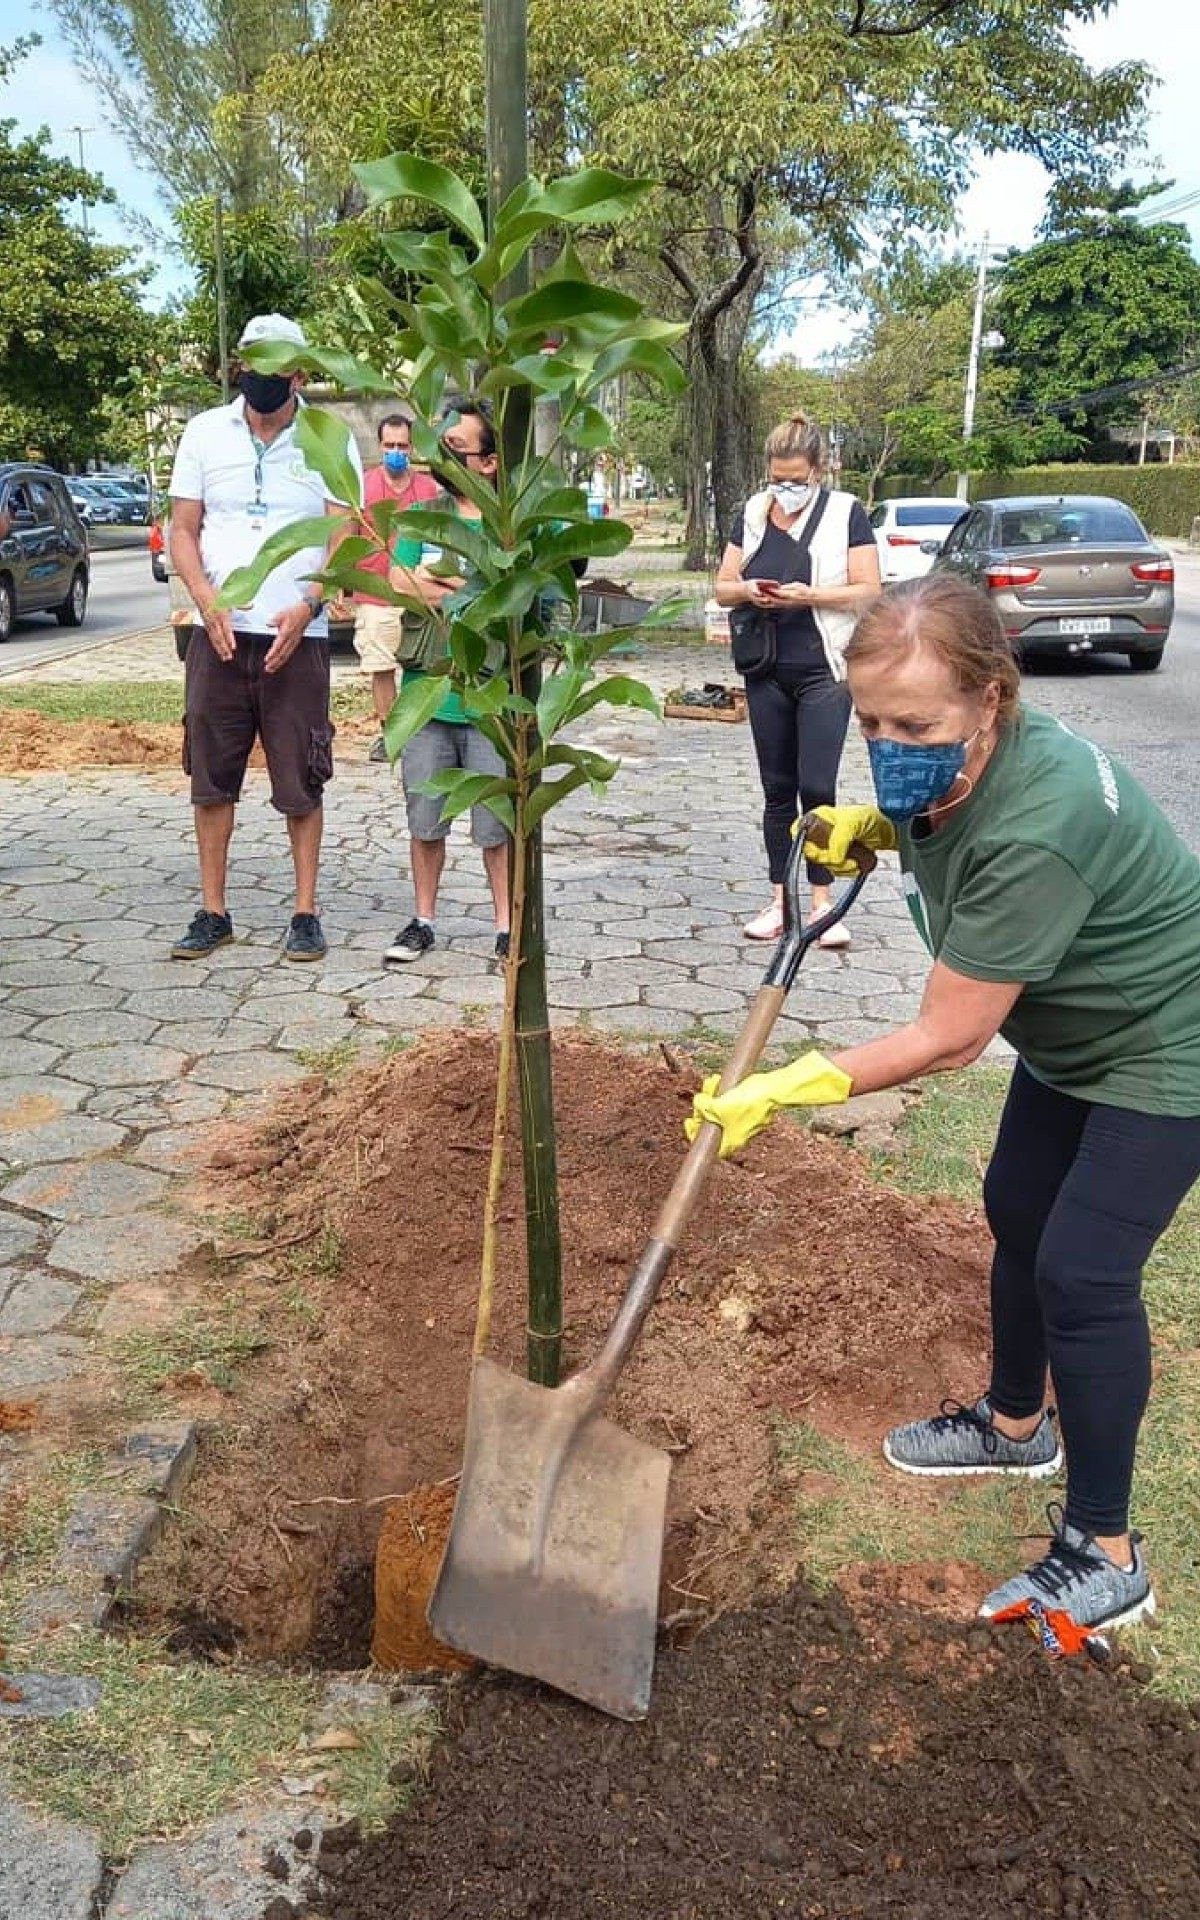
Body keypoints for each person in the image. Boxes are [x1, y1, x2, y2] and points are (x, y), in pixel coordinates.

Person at [690, 573, 1200, 1637]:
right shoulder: (965, 765)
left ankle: (1105, 1554)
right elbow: (941, 809)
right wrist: (877, 825)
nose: (888, 741)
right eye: (871, 720)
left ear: (991, 701)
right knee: (1017, 1207)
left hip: (1166, 1044)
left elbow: (952, 1036)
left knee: (1083, 1272)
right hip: (1074, 1031)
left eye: (915, 724)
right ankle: (1018, 1427)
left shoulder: (1040, 824)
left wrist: (791, 1086)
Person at [168, 313, 363, 963]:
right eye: (251, 363)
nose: (260, 378)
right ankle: (213, 910)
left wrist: (310, 603)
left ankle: (305, 913)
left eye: (273, 367)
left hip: (295, 637)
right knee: (210, 773)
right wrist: (206, 602)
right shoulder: (203, 433)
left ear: (297, 373)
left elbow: (346, 531)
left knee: (300, 775)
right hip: (218, 636)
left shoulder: (328, 437)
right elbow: (183, 530)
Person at [715, 413, 880, 948]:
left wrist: (808, 594)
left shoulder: (845, 513)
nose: (786, 489)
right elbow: (722, 586)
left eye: (796, 479)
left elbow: (868, 591)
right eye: (777, 478)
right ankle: (779, 901)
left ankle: (822, 900)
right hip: (766, 669)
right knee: (777, 790)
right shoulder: (754, 513)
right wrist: (750, 591)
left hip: (824, 670)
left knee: (817, 786)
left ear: (819, 471)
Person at [383, 401, 511, 965]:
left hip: (489, 701)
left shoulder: (507, 523)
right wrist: (468, 588)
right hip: (426, 693)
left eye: (457, 448)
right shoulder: (422, 515)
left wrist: (440, 581)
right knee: (424, 818)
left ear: (488, 462)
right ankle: (423, 919)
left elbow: (512, 596)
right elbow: (397, 580)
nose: (445, 456)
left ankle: (507, 926)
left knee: (495, 826)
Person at [347, 413, 440, 763]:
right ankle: (391, 735)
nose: (396, 452)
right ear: (380, 446)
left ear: (412, 447)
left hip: (421, 595)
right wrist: (340, 588)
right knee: (381, 665)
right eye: (390, 446)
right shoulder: (363, 487)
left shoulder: (428, 489)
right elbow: (349, 535)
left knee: (425, 664)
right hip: (376, 593)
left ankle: (423, 731)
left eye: (403, 446)